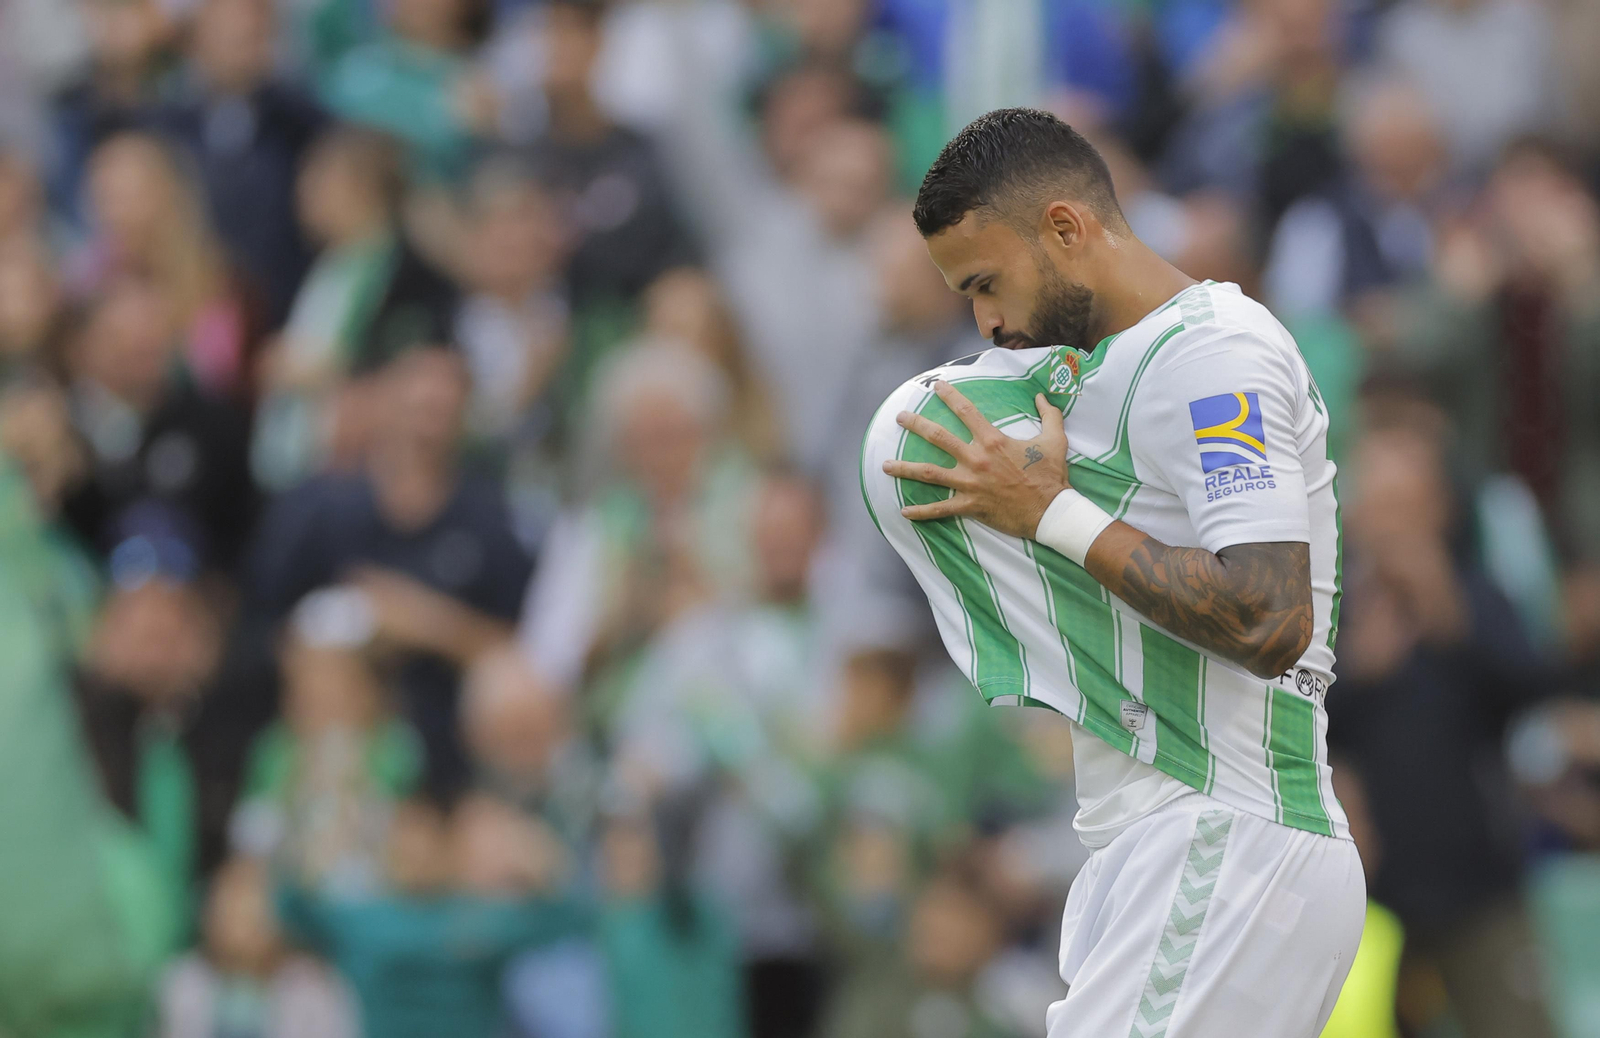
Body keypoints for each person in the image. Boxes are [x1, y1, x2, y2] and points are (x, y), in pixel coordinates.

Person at [861, 109, 1363, 1037]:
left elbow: (1270, 615)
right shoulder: (1102, 376)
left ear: (1064, 227)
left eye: (985, 283)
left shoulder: (1216, 353)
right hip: (1175, 839)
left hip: (1227, 828)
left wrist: (1047, 514)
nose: (986, 323)